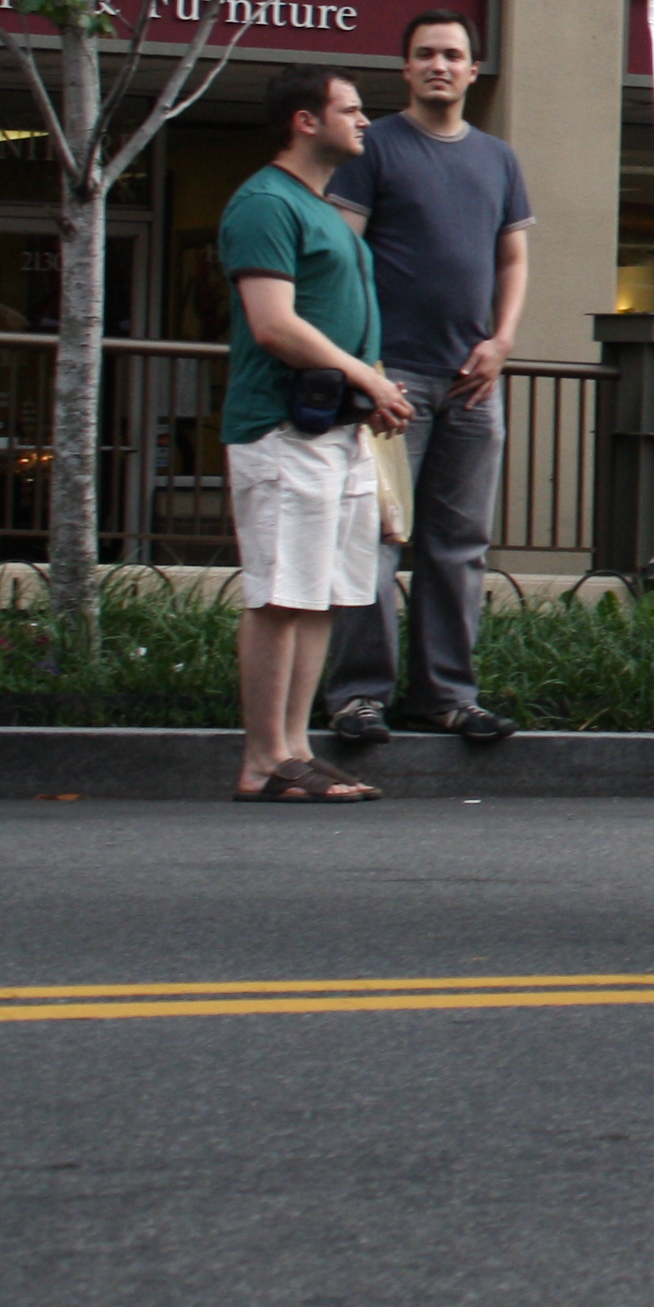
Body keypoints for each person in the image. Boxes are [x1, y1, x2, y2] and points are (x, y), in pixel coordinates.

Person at [316, 12, 530, 752]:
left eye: (454, 55)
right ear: (405, 69)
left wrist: (501, 343)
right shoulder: (371, 148)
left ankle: (445, 696)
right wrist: (362, 366)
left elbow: (511, 261)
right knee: (375, 540)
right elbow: (339, 255)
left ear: (475, 71)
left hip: (473, 381)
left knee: (459, 546)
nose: (440, 65)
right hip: (390, 380)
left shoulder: (498, 159)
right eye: (425, 54)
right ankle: (358, 698)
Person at [223, 69, 412, 802]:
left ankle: (294, 749)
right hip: (281, 430)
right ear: (306, 120)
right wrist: (364, 378)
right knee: (280, 594)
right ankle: (262, 759)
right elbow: (273, 324)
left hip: (337, 431)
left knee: (321, 595)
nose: (366, 121)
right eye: (351, 109)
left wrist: (368, 390)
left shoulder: (325, 209)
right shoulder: (264, 204)